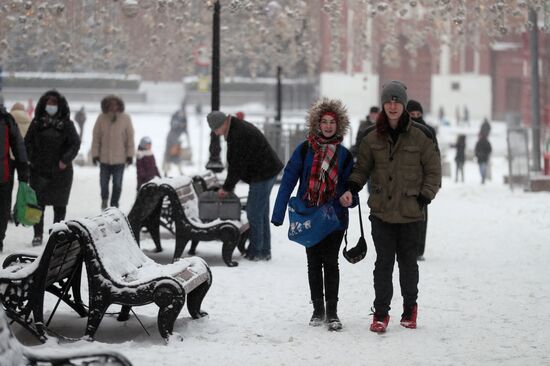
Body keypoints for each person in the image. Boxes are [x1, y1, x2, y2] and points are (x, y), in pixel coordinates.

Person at [339, 80, 441, 333]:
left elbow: (433, 171)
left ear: (404, 105)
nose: (393, 106)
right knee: (383, 264)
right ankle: (381, 312)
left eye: (397, 101)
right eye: (389, 101)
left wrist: (424, 197)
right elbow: (362, 169)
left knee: (408, 264)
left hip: (411, 212)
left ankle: (409, 309)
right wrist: (352, 188)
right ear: (383, 105)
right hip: (382, 212)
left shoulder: (422, 135)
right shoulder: (371, 136)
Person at [271, 98, 357, 331]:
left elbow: (352, 184)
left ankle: (332, 312)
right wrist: (278, 213)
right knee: (313, 262)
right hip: (309, 214)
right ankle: (317, 309)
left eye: (332, 122)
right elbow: (288, 179)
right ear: (317, 124)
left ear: (339, 125)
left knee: (331, 262)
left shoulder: (344, 155)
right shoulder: (304, 150)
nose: (328, 126)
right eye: (324, 121)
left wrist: (351, 197)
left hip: (334, 217)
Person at [207, 111, 283, 261]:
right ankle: (264, 250)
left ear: (222, 124)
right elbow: (237, 163)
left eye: (215, 129)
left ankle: (257, 252)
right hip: (267, 171)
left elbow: (237, 165)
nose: (215, 133)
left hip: (263, 173)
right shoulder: (235, 128)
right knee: (260, 213)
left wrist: (227, 188)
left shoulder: (238, 134)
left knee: (253, 213)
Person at [24, 90, 80, 246]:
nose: (51, 106)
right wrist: (31, 159)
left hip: (61, 171)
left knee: (59, 205)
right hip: (39, 170)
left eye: (54, 104)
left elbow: (75, 144)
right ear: (43, 104)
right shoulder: (36, 124)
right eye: (49, 103)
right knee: (38, 205)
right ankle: (37, 235)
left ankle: (57, 234)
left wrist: (65, 159)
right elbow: (26, 143)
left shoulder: (67, 125)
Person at [405, 99, 438, 261]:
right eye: (412, 115)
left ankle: (418, 250)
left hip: (422, 182)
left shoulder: (428, 131)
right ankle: (404, 247)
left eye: (418, 114)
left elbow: (435, 157)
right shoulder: (402, 130)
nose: (416, 117)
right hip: (403, 180)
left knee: (421, 217)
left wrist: (434, 183)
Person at [91, 95, 135, 210]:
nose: (113, 107)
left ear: (119, 105)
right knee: (104, 184)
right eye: (110, 104)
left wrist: (130, 155)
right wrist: (95, 154)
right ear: (106, 105)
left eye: (115, 104)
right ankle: (104, 200)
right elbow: (96, 137)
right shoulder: (101, 118)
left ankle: (114, 204)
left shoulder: (126, 118)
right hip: (104, 159)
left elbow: (130, 138)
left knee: (117, 184)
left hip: (120, 160)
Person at [0, 106, 29, 252]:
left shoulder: (6, 120)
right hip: (4, 173)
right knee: (3, 209)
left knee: (3, 209)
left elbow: (18, 146)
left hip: (4, 174)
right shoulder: (6, 119)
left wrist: (23, 170)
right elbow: (19, 146)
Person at [163, 105, 189, 176]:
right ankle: (166, 171)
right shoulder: (175, 116)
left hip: (177, 139)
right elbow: (172, 125)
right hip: (171, 138)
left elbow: (185, 129)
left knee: (177, 155)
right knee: (168, 155)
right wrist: (180, 125)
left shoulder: (184, 118)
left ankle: (180, 171)